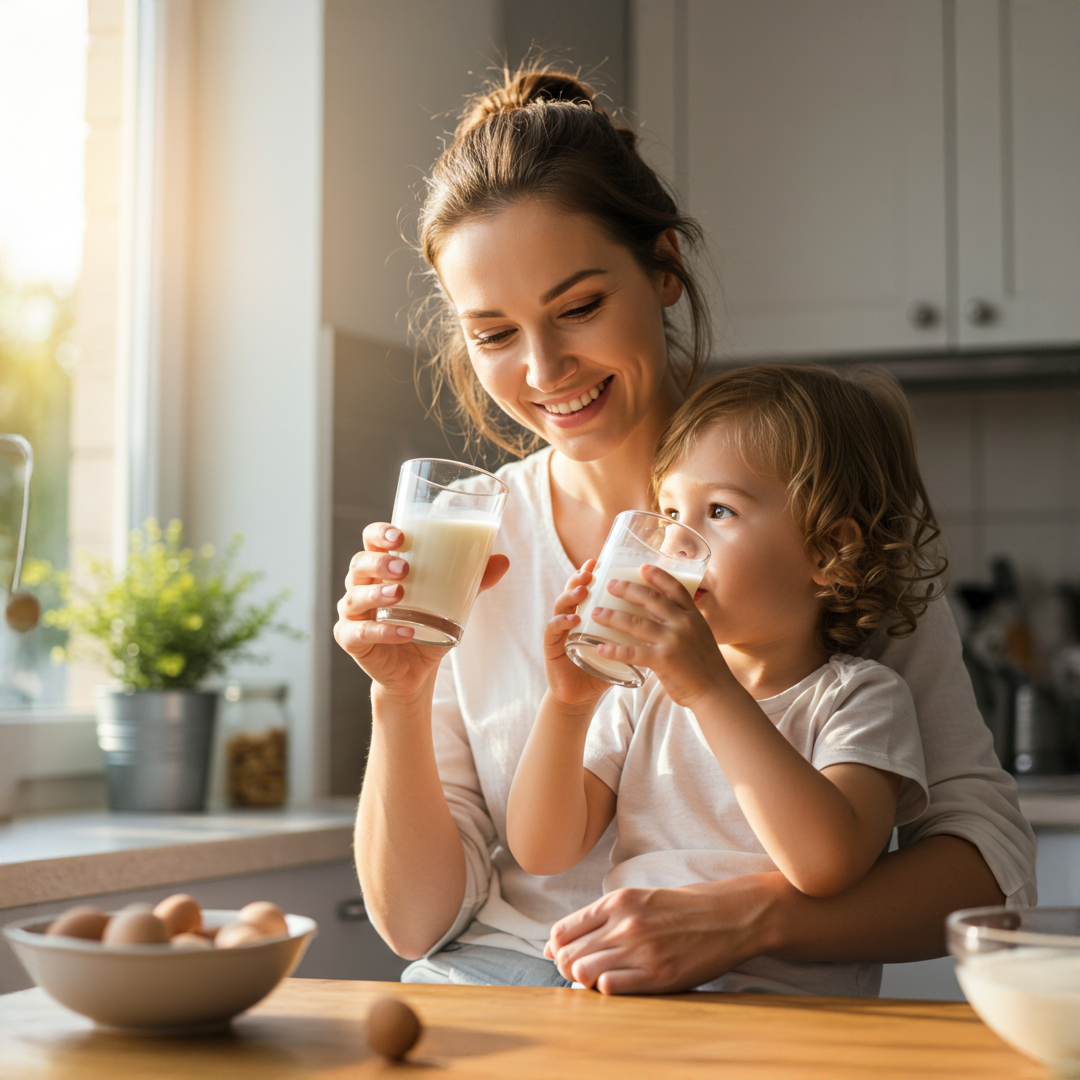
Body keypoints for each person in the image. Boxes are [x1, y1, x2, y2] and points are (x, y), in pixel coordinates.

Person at [334, 65, 1035, 993]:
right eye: (494, 334)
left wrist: (751, 921)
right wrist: (400, 693)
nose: (544, 369)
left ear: (664, 268)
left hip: (750, 1003)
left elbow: (991, 866)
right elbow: (422, 924)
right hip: (511, 985)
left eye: (579, 307)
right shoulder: (469, 536)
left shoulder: (815, 511)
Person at [507, 364, 942, 995]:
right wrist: (568, 705)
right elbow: (542, 850)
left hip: (790, 1032)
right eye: (669, 510)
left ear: (828, 553)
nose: (680, 541)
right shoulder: (646, 694)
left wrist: (710, 689)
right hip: (630, 1007)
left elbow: (826, 864)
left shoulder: (858, 698)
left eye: (718, 511)